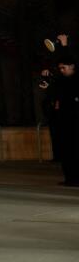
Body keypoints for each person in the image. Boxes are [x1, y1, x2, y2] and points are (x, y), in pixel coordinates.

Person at [52, 54, 79, 185]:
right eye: (60, 68)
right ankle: (69, 178)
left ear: (72, 66)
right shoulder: (61, 81)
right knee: (66, 151)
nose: (62, 70)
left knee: (74, 150)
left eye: (64, 67)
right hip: (64, 121)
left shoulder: (76, 80)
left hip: (74, 121)